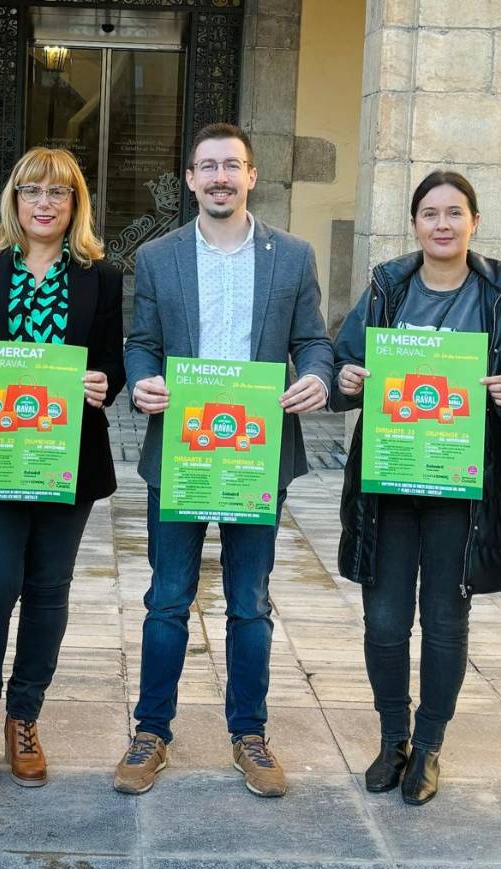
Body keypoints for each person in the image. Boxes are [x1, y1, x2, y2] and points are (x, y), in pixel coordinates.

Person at [114, 122, 332, 799]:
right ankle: (152, 733)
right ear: (188, 178)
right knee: (167, 600)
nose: (219, 178)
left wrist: (319, 378)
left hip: (256, 453)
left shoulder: (292, 257)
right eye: (206, 166)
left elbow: (314, 341)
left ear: (252, 176)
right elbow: (141, 341)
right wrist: (142, 377)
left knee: (249, 602)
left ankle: (250, 735)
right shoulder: (158, 258)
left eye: (231, 166)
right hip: (182, 450)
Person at [331, 171, 501, 805]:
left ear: (474, 221)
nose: (442, 224)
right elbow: (342, 364)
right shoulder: (386, 290)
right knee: (386, 617)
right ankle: (392, 737)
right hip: (390, 481)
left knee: (446, 619)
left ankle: (429, 745)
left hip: (463, 486)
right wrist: (350, 376)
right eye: (430, 213)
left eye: (454, 212)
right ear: (415, 224)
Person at [0, 147, 124, 800]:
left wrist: (105, 381)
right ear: (14, 200)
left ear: (76, 205)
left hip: (67, 461)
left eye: (59, 193)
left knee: (47, 590)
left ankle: (24, 720)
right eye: (33, 191)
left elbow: (112, 361)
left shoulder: (101, 276)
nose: (45, 203)